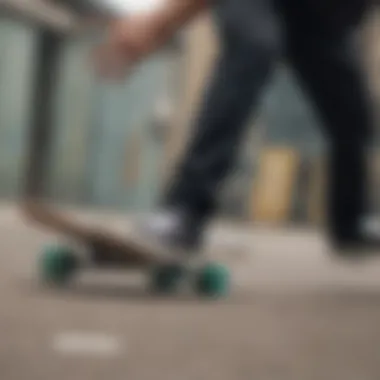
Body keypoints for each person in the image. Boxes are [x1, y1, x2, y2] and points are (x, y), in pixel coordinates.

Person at [94, 0, 379, 258]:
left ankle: (350, 224)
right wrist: (156, 24)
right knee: (254, 46)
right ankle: (184, 209)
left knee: (352, 109)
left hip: (319, 23)